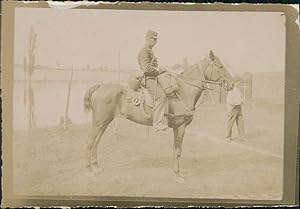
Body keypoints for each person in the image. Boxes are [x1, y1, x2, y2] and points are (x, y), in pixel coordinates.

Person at [137, 30, 168, 131]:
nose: (155, 42)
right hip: (148, 79)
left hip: (153, 78)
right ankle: (157, 123)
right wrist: (160, 70)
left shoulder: (150, 51)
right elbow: (146, 68)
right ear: (147, 39)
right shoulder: (144, 51)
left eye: (156, 40)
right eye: (153, 39)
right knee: (161, 96)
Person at [225, 77, 246, 142]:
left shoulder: (238, 90)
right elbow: (230, 101)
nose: (239, 83)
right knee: (230, 123)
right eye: (238, 82)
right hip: (232, 109)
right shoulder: (231, 91)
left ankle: (242, 137)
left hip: (239, 108)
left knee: (240, 122)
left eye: (239, 82)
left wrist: (242, 100)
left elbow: (241, 97)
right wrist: (238, 102)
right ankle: (228, 137)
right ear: (235, 83)